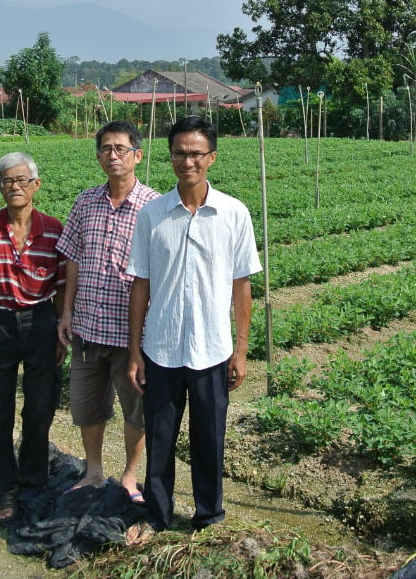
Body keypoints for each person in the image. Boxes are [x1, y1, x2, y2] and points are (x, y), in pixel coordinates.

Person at [126, 115, 262, 538]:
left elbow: (242, 288)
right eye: (180, 153)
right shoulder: (151, 215)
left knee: (209, 440)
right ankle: (158, 516)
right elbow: (140, 286)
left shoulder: (234, 213)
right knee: (160, 439)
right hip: (162, 348)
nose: (188, 161)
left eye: (196, 153)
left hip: (212, 349)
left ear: (212, 158)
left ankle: (208, 517)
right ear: (170, 158)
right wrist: (135, 352)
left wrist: (240, 350)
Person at [0, 152, 67, 524]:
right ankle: (1, 486)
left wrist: (60, 330)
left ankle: (33, 479)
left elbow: (63, 284)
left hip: (41, 320)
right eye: (8, 181)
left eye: (22, 180)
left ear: (36, 185)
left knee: (40, 405)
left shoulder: (53, 229)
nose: (15, 187)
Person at [57, 121, 159, 504]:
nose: (112, 156)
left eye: (120, 148)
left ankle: (130, 476)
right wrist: (66, 312)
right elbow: (72, 260)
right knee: (87, 406)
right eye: (105, 149)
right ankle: (94, 470)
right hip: (87, 326)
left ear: (137, 155)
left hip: (134, 333)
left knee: (136, 410)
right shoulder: (85, 202)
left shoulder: (155, 206)